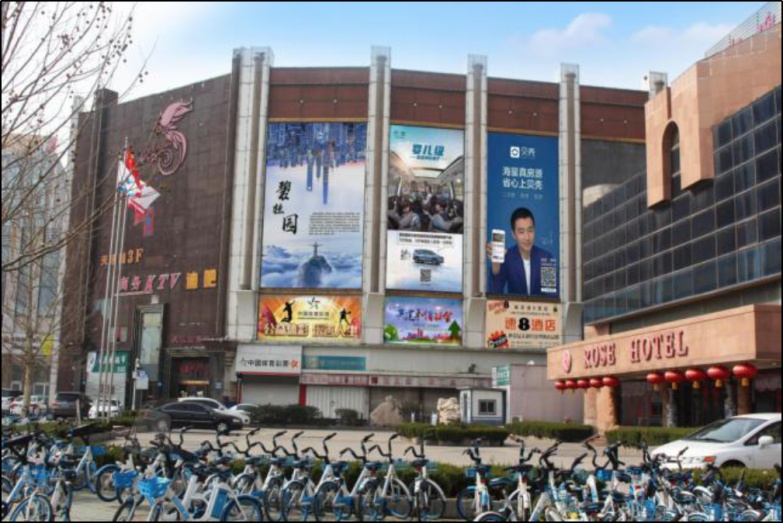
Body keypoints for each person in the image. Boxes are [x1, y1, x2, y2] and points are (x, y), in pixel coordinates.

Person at [487, 207, 556, 296]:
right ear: (513, 234)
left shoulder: (546, 257)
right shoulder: (507, 258)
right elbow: (495, 294)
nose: (527, 237)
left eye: (530, 230)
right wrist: (496, 267)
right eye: (521, 232)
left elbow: (552, 296)